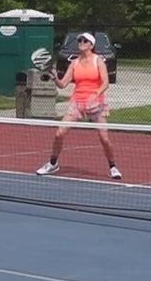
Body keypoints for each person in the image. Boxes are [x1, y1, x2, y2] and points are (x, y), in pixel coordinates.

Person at [35, 32, 122, 179]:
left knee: (104, 138)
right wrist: (55, 77)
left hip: (96, 103)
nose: (81, 42)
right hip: (77, 102)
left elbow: (105, 82)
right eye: (80, 40)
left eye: (84, 40)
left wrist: (95, 95)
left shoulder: (98, 61)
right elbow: (62, 85)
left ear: (91, 45)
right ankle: (53, 163)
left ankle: (113, 166)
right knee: (59, 133)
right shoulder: (74, 63)